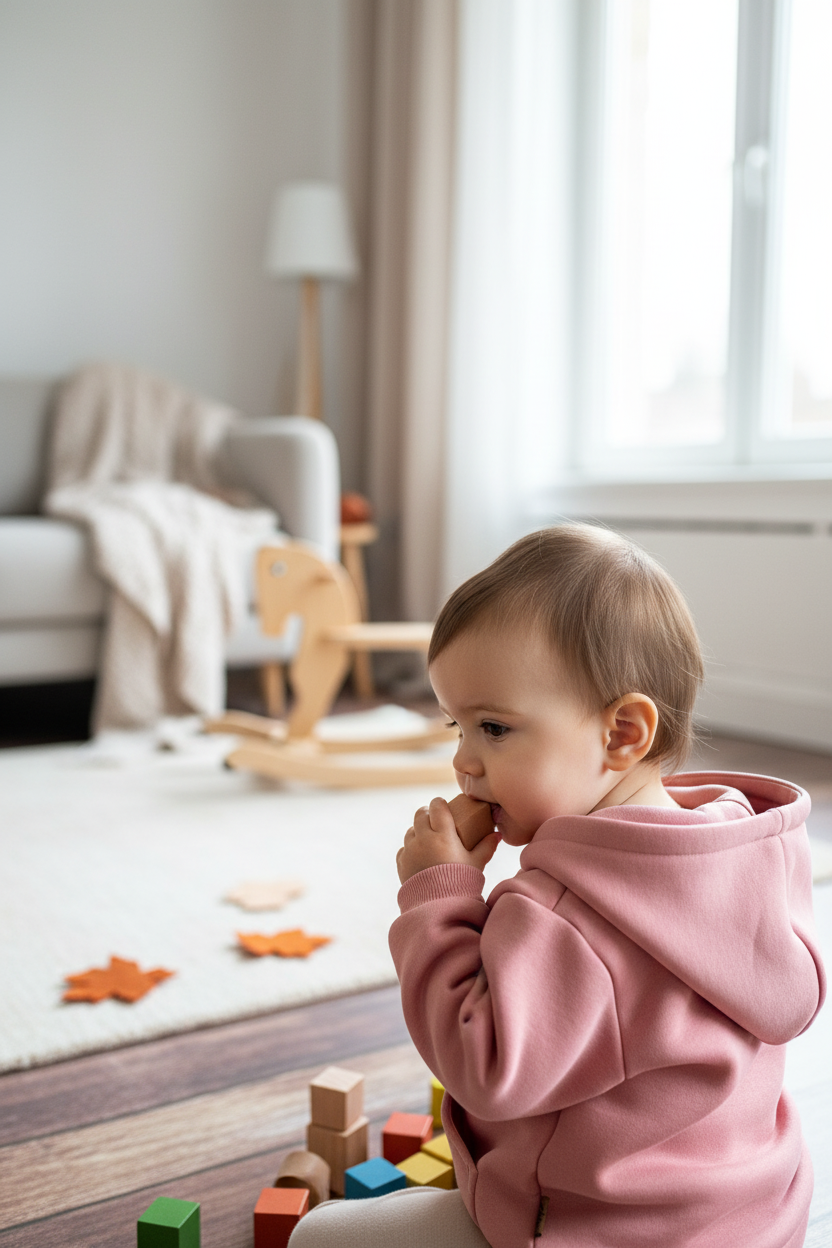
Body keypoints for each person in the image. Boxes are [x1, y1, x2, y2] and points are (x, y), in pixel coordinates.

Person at [289, 523, 825, 1248]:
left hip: (601, 1232)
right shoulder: (748, 852)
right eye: (457, 725)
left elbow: (486, 1068)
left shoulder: (561, 913)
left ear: (622, 735)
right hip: (755, 1218)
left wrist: (441, 898)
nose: (463, 763)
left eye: (495, 728)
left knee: (317, 1237)